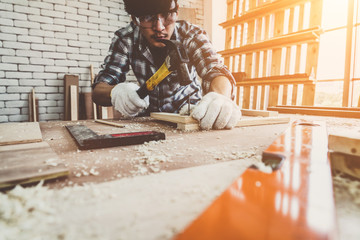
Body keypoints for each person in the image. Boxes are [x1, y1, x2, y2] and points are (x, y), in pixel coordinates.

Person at [92, 0, 241, 130]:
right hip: (149, 120)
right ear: (135, 19)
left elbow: (215, 70)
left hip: (191, 116)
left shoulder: (191, 35)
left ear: (177, 11)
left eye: (167, 15)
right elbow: (99, 90)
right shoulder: (125, 39)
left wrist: (220, 97)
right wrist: (115, 92)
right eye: (147, 18)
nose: (159, 27)